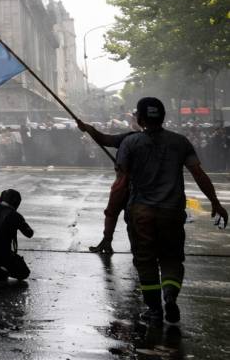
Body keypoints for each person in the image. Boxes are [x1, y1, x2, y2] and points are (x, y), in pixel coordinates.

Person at [115, 97, 228, 324]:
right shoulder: (180, 142)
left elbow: (121, 179)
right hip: (172, 212)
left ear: (140, 118)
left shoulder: (130, 143)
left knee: (146, 260)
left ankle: (154, 310)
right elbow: (198, 173)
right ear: (163, 116)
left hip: (141, 212)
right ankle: (170, 295)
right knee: (171, 258)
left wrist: (113, 211)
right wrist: (215, 202)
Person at [77, 120, 138, 254]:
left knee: (132, 218)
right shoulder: (129, 137)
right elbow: (104, 139)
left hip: (135, 185)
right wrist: (88, 128)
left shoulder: (132, 139)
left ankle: (135, 247)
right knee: (113, 213)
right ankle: (107, 241)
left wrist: (88, 128)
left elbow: (105, 139)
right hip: (125, 182)